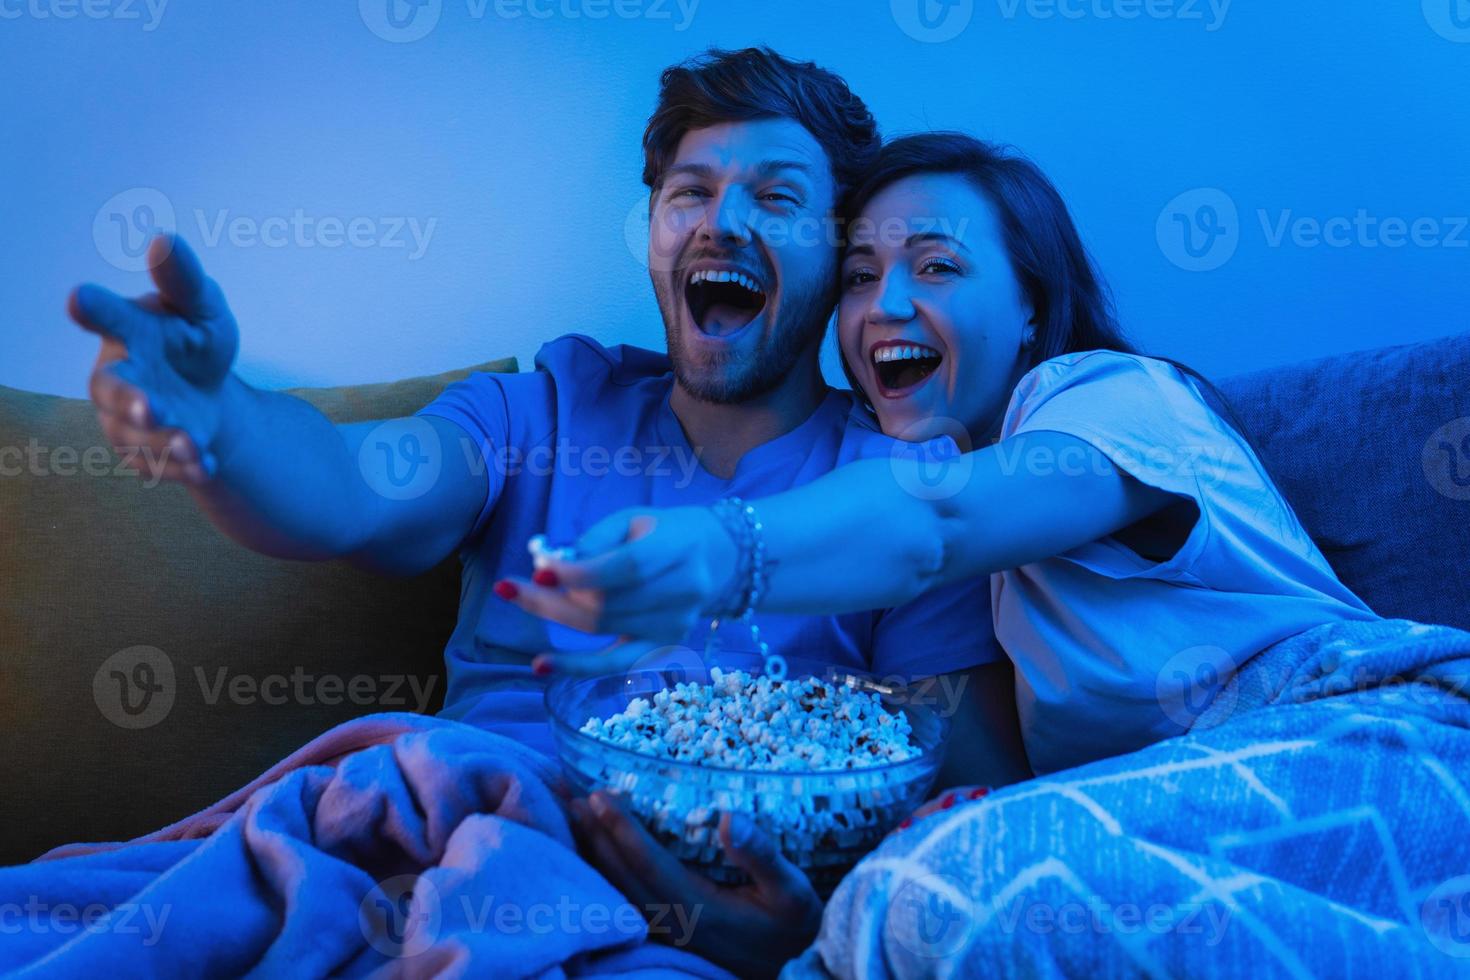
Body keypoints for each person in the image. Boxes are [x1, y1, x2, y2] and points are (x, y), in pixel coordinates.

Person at [65, 54, 1031, 974]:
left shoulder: (902, 491)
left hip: (690, 931)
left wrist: (809, 936)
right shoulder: (543, 411)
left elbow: (973, 809)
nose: (721, 224)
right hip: (425, 854)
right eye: (689, 193)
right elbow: (348, 492)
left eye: (777, 199)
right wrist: (221, 417)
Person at [503, 134, 1470, 972]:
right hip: (1204, 822)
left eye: (936, 267)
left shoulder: (1109, 397)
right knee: (917, 892)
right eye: (856, 276)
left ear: (1032, 312)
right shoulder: (998, 563)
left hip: (1390, 736)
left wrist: (720, 552)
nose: (883, 305)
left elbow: (936, 523)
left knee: (929, 894)